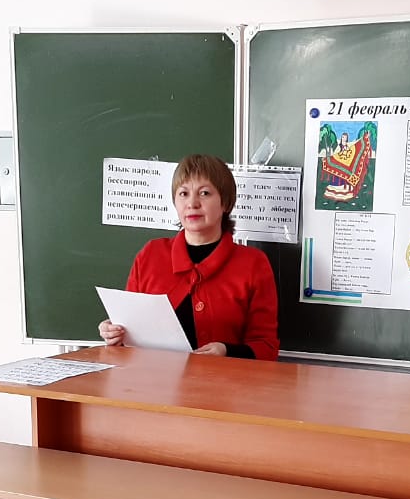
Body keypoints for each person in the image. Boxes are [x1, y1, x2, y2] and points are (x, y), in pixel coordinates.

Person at [98, 154, 279, 360]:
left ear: (225, 203)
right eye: (183, 193)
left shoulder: (253, 264)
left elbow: (267, 348)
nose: (192, 203)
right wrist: (115, 333)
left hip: (225, 379)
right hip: (152, 377)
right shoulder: (150, 255)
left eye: (204, 193)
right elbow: (130, 329)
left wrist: (227, 351)